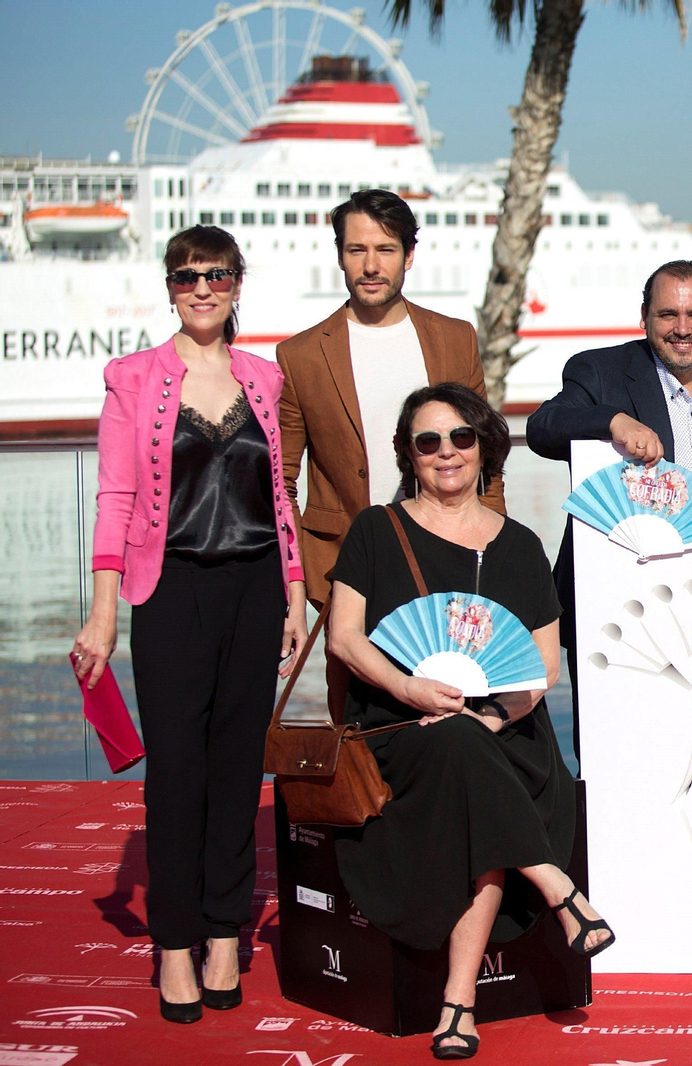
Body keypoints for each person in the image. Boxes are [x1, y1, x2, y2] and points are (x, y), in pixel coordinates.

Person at [326, 383, 611, 1060]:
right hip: (399, 728)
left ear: (486, 446)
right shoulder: (376, 530)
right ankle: (554, 885)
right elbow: (344, 638)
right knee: (455, 752)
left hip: (504, 730)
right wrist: (410, 687)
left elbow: (542, 668)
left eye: (461, 437)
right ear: (409, 455)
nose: (446, 453)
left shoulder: (518, 545)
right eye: (429, 442)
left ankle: (460, 1003)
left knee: (466, 754)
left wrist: (491, 715)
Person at [70, 226, 308, 1024]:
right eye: (185, 276)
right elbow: (114, 498)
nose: (201, 288)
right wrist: (102, 613)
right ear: (169, 287)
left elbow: (279, 495)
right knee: (177, 772)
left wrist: (296, 590)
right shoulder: (133, 378)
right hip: (167, 590)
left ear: (239, 284)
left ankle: (221, 934)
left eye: (216, 275)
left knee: (240, 771)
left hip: (255, 590)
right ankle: (174, 943)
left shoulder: (264, 379)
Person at [525, 260, 692, 761]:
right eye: (668, 313)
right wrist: (611, 420)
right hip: (620, 605)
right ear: (644, 317)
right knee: (616, 758)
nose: (683, 328)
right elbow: (543, 427)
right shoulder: (601, 371)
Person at [278, 188, 505, 612]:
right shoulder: (300, 356)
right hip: (345, 574)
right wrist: (301, 580)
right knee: (355, 680)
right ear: (339, 255)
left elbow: (486, 460)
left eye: (385, 249)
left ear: (409, 254)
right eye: (356, 249)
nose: (370, 265)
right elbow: (281, 482)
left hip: (451, 559)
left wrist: (493, 554)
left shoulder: (455, 340)